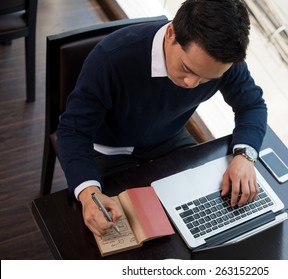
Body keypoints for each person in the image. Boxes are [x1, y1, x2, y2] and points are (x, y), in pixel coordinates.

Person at [57, 0, 268, 237]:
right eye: (187, 69)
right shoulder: (111, 59)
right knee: (114, 233)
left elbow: (251, 104)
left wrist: (245, 155)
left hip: (167, 138)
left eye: (206, 79)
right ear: (171, 34)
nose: (191, 84)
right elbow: (73, 131)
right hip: (107, 148)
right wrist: (89, 194)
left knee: (204, 217)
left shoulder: (223, 64)